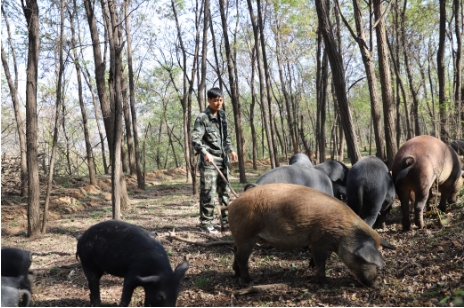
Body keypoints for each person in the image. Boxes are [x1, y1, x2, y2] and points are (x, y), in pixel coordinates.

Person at [192, 87, 238, 233]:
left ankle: (226, 222)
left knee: (225, 193)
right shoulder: (202, 118)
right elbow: (195, 139)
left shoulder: (223, 115)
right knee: (208, 193)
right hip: (209, 162)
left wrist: (231, 149)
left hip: (223, 160)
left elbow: (226, 137)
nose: (218, 103)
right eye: (215, 100)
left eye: (220, 100)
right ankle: (205, 224)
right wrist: (204, 152)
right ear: (209, 100)